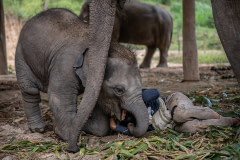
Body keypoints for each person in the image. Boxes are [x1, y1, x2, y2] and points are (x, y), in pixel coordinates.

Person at [110, 89, 239, 135]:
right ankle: (228, 121)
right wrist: (114, 121)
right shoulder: (132, 124)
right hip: (172, 125)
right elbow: (117, 127)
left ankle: (206, 111)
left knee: (179, 115)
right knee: (192, 127)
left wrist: (129, 104)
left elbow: (155, 93)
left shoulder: (137, 96)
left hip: (172, 103)